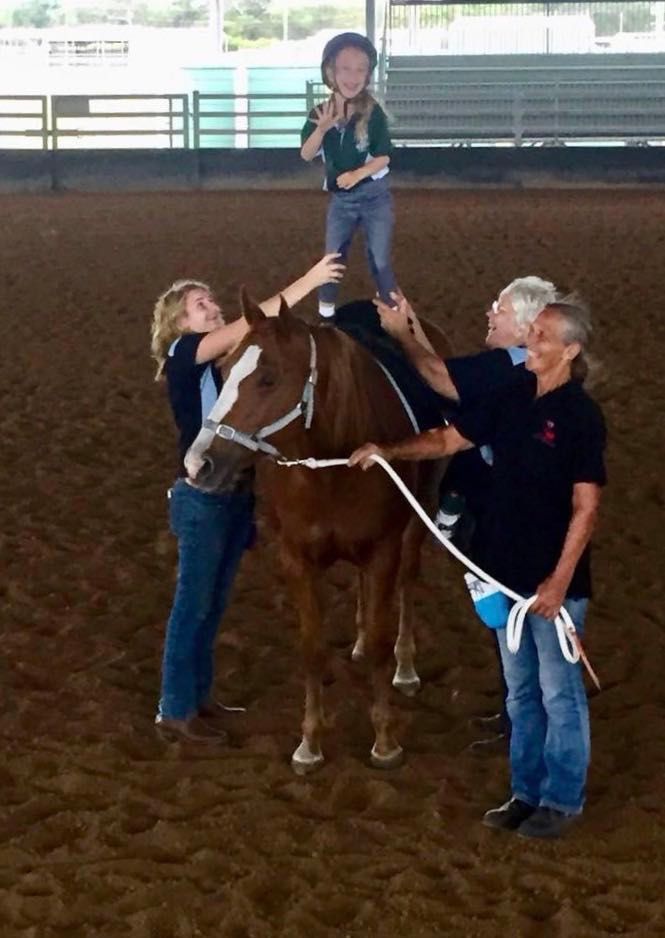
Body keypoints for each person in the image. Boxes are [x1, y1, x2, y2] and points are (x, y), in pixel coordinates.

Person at [349, 298, 606, 839]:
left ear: (570, 350)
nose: (529, 343)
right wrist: (389, 452)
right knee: (521, 693)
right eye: (530, 332)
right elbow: (449, 438)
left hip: (549, 584)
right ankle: (524, 792)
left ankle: (561, 799)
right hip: (499, 572)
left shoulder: (581, 417)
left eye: (541, 336)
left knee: (559, 692)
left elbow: (586, 508)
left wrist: (557, 584)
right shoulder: (512, 394)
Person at [150, 253, 345, 744]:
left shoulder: (221, 368)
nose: (211, 307)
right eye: (199, 305)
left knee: (211, 606)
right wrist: (311, 281)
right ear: (179, 324)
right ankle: (175, 709)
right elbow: (250, 324)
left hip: (232, 497)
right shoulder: (184, 354)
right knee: (192, 606)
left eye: (210, 300)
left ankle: (196, 698)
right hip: (201, 500)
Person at [377, 277, 558, 747]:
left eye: (498, 308)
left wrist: (401, 334)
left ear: (525, 328)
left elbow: (441, 380)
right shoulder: (521, 369)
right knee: (510, 618)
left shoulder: (509, 366)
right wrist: (412, 324)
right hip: (505, 510)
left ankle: (524, 722)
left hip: (505, 517)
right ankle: (514, 713)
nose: (489, 313)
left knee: (513, 618)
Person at [301, 32, 397, 318]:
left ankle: (394, 315)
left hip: (374, 197)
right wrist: (321, 129)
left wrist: (358, 174)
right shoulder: (320, 113)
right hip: (341, 201)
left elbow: (383, 157)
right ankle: (326, 318)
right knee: (332, 259)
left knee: (379, 260)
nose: (352, 76)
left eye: (360, 69)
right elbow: (307, 154)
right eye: (345, 69)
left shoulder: (374, 113)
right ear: (331, 72)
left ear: (368, 75)